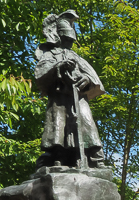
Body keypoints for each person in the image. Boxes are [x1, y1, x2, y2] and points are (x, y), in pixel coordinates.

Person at [33, 11, 107, 169]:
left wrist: (87, 80)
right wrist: (59, 66)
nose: (69, 43)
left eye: (71, 40)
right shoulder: (49, 55)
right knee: (58, 127)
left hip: (78, 99)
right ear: (58, 37)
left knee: (87, 123)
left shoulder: (76, 57)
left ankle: (95, 158)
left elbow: (94, 78)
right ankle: (58, 157)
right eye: (66, 39)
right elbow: (40, 74)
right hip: (59, 100)